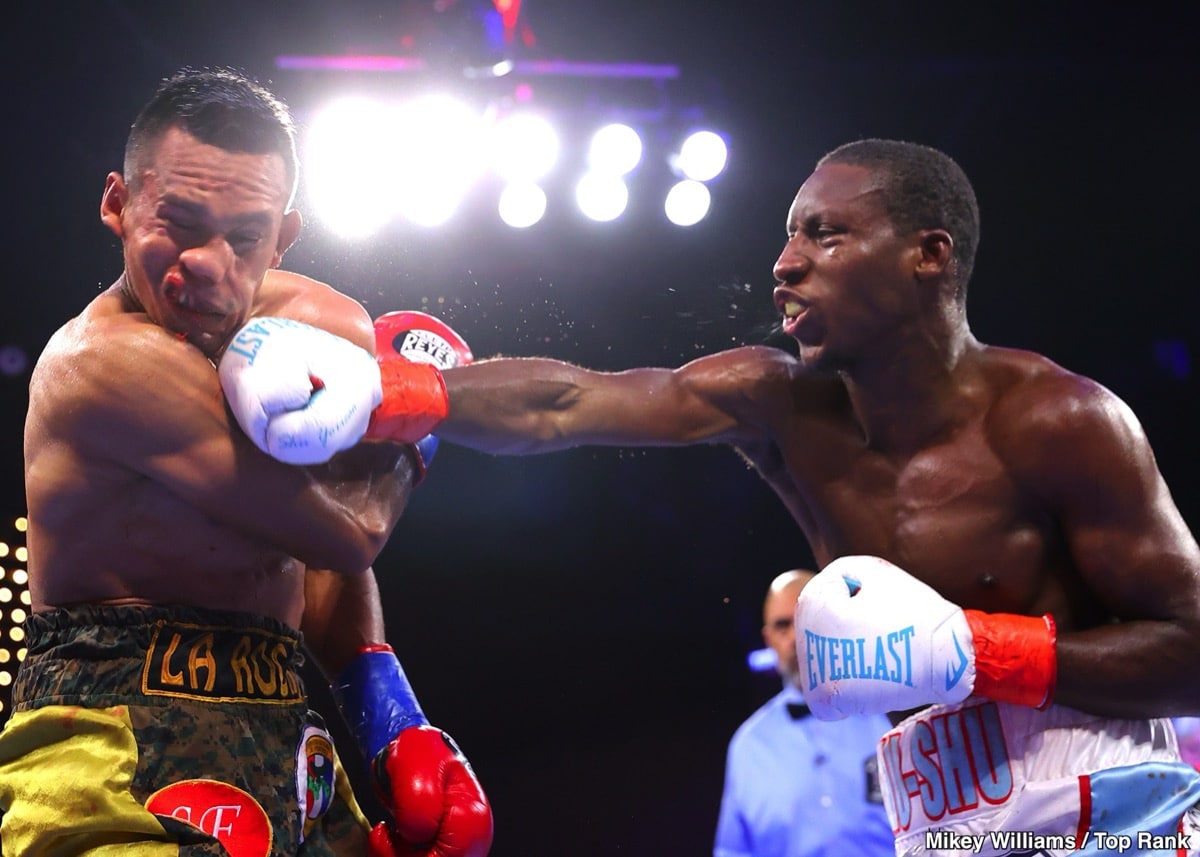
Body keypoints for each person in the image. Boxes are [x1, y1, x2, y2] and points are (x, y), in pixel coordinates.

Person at [428, 138, 1200, 855]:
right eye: (789, 236)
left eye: (823, 234)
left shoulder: (1056, 420)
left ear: (927, 256)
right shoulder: (782, 406)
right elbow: (566, 405)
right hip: (945, 829)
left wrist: (987, 651)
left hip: (1113, 821)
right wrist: (400, 394)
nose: (784, 265)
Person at [0, 67, 492, 857]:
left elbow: (304, 547)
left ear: (284, 235)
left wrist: (388, 718)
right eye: (181, 222)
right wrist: (417, 422)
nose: (206, 263)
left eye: (243, 236)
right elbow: (346, 532)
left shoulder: (314, 325)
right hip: (111, 747)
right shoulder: (100, 364)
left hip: (284, 738)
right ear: (117, 204)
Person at [715, 569, 893, 857]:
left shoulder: (890, 714)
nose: (796, 637)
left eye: (806, 619)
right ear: (769, 638)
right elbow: (733, 851)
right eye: (783, 626)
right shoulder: (749, 746)